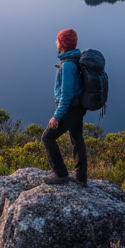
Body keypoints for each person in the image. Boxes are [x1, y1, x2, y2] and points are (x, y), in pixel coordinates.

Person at [41, 27, 87, 186]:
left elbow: (66, 95)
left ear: (62, 44)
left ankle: (61, 174)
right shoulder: (75, 58)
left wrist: (57, 116)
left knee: (47, 138)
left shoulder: (68, 65)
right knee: (77, 138)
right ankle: (81, 177)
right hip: (78, 108)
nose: (55, 42)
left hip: (70, 109)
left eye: (58, 40)